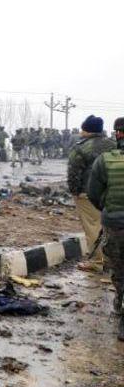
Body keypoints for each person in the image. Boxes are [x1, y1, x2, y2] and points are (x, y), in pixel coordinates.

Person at [87, 117, 124, 341]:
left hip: (116, 224)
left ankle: (120, 304)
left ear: (117, 134)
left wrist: (107, 207)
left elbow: (93, 193)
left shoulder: (105, 160)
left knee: (119, 270)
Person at [68, 115, 117, 271]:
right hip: (112, 192)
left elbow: (74, 172)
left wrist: (75, 191)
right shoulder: (114, 145)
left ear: (87, 130)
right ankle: (112, 259)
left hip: (87, 193)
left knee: (93, 226)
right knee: (111, 227)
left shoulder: (81, 147)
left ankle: (98, 262)